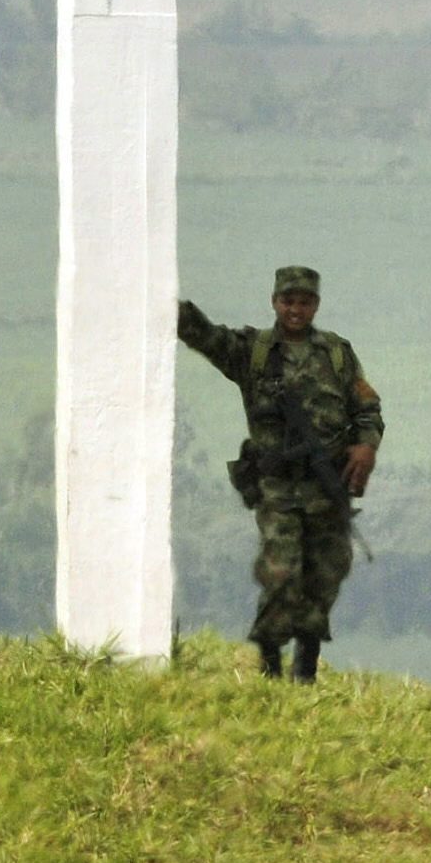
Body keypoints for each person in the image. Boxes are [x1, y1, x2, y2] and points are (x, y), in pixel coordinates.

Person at [176, 265, 383, 680]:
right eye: (288, 301)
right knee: (282, 573)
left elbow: (367, 409)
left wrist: (366, 447)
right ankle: (270, 663)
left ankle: (305, 667)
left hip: (328, 484)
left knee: (324, 574)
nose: (295, 309)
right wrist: (168, 303)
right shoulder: (253, 352)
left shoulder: (337, 353)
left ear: (316, 306)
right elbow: (206, 337)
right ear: (275, 302)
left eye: (304, 302)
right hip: (278, 488)